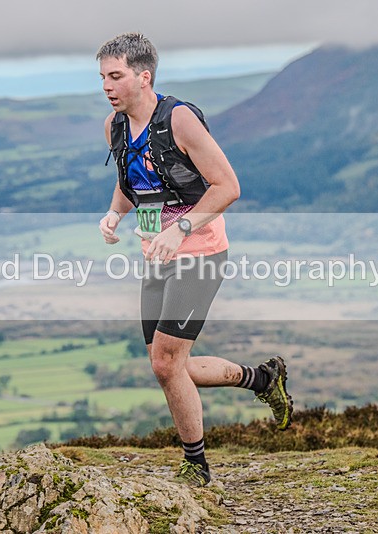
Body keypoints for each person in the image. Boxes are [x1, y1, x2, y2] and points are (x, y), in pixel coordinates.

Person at [96, 32, 293, 487]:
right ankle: (262, 379)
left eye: (115, 76)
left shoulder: (179, 121)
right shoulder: (115, 126)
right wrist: (113, 214)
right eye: (102, 77)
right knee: (169, 365)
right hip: (156, 254)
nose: (106, 86)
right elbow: (132, 185)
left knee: (166, 364)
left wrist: (181, 227)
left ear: (143, 77)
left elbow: (227, 186)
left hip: (199, 253)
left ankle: (196, 467)